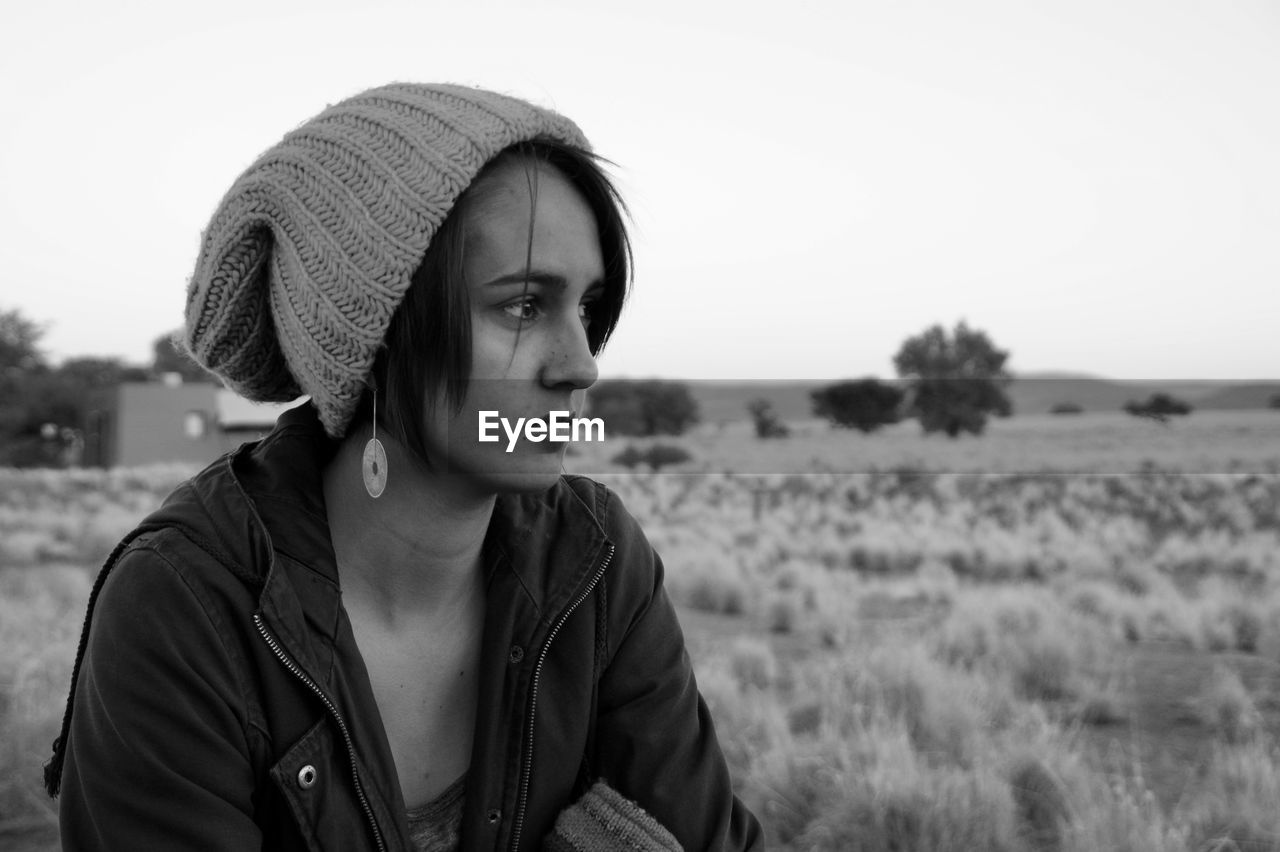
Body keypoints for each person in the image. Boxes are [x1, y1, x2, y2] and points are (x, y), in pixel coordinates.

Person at [42, 83, 764, 851]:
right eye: (522, 306)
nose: (581, 364)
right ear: (378, 337)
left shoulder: (594, 562)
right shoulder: (188, 606)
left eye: (587, 308)